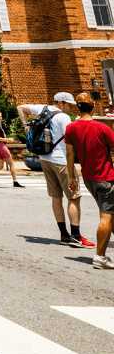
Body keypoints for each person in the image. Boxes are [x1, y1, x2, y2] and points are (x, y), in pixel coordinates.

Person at [18, 95, 93, 247]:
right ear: (60, 102)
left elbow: (20, 108)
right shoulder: (63, 117)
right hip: (62, 161)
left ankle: (64, 235)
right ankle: (76, 236)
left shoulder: (42, 109)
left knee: (56, 197)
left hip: (45, 158)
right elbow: (72, 139)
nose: (71, 107)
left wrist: (26, 125)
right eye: (68, 104)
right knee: (73, 197)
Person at [65, 92, 114, 270]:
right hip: (106, 178)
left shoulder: (71, 128)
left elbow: (70, 154)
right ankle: (100, 257)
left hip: (88, 178)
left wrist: (71, 176)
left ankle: (101, 254)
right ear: (93, 106)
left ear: (78, 107)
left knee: (110, 214)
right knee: (106, 216)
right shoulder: (103, 128)